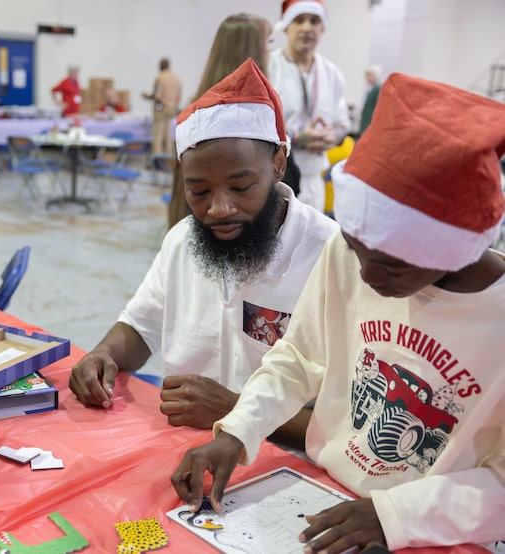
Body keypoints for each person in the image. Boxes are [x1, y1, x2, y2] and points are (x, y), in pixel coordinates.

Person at [172, 73, 505, 553]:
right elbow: (299, 358)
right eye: (354, 248)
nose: (365, 275)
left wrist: (392, 515)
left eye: (390, 265)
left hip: (438, 530)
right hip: (328, 491)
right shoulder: (347, 255)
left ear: (456, 249)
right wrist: (238, 431)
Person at [69, 60, 338, 443]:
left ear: (278, 163)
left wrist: (236, 410)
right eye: (198, 191)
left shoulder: (331, 257)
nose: (218, 209)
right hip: (184, 447)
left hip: (285, 461)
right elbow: (141, 327)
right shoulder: (183, 240)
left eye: (240, 188)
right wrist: (103, 355)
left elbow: (348, 427)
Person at [167, 13, 273, 229]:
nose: (272, 50)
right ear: (255, 51)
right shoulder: (255, 123)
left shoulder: (195, 114)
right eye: (269, 42)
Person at [268, 0, 350, 212]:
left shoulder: (331, 73)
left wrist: (334, 136)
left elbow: (342, 124)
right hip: (276, 178)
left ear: (322, 28)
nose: (307, 28)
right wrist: (296, 138)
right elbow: (258, 123)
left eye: (314, 21)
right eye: (299, 20)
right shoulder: (269, 67)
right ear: (286, 26)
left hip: (314, 179)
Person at [142, 57, 182, 158]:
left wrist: (147, 96)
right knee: (168, 133)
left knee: (158, 133)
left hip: (161, 108)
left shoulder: (160, 78)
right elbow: (179, 97)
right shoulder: (176, 79)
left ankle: (157, 157)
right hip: (172, 108)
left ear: (160, 66)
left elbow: (157, 95)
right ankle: (169, 157)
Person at [358, 63, 382, 135]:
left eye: (369, 75)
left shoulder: (378, 90)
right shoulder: (370, 89)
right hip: (365, 120)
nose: (367, 77)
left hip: (370, 122)